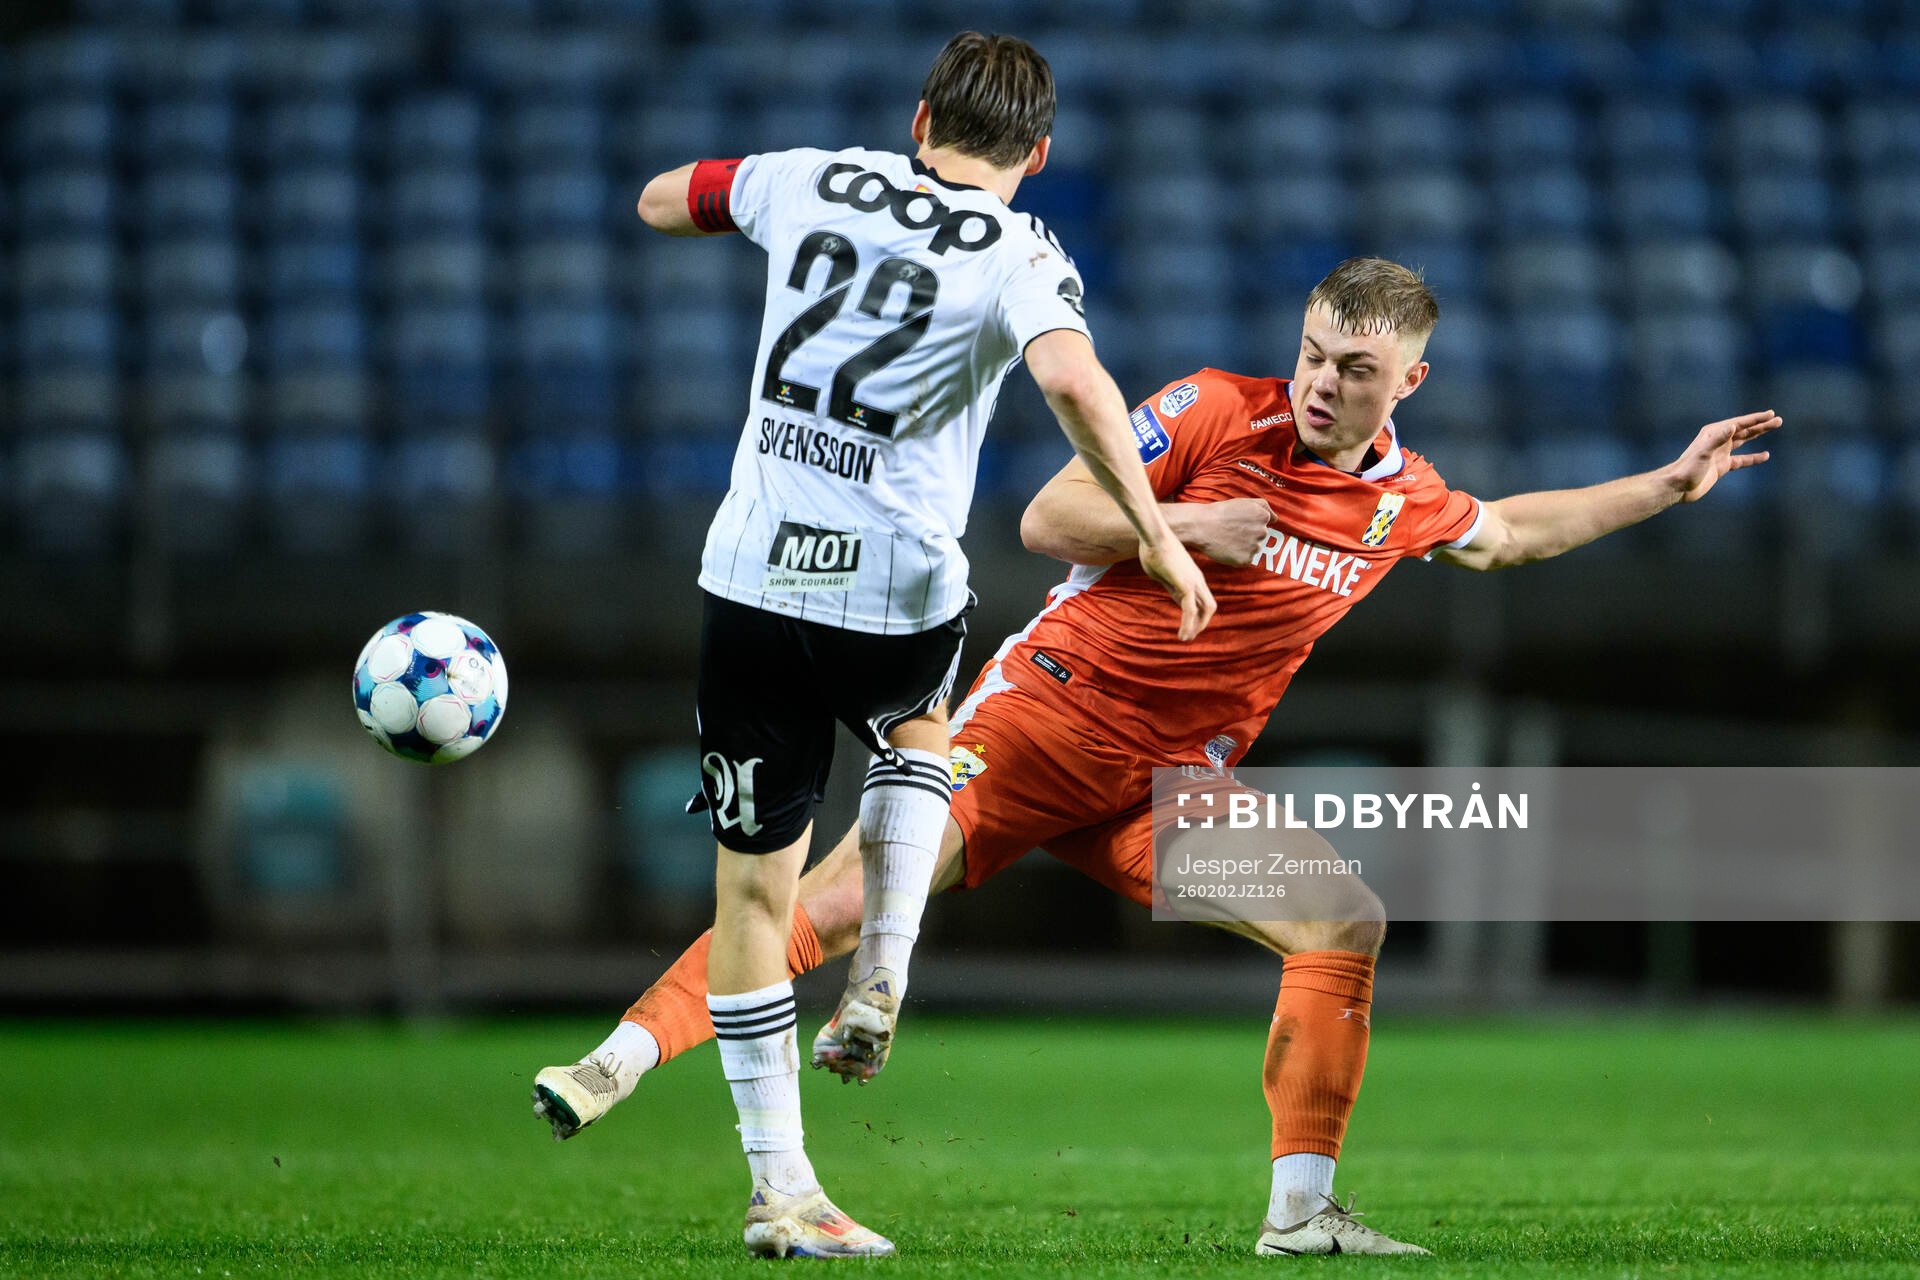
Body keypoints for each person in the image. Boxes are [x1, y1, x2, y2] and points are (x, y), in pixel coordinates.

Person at [535, 256, 1779, 1256]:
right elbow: (1045, 518)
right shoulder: (1208, 409)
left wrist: (1667, 486)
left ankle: (1300, 1215)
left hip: (1168, 787)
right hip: (1039, 723)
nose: (1322, 384)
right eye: (1313, 354)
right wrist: (1186, 522)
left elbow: (1509, 533)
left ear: (1409, 379)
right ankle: (617, 1057)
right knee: (839, 905)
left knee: (1342, 917)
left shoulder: (1401, 502)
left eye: (1356, 369)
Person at [530, 31, 1215, 1260]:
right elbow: (1073, 379)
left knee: (752, 890)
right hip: (889, 585)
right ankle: (885, 967)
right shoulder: (1020, 248)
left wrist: (737, 213)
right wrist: (1157, 535)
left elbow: (660, 197)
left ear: (919, 118)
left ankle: (779, 1187)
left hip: (746, 576)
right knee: (920, 736)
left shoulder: (806, 175)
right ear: (1038, 153)